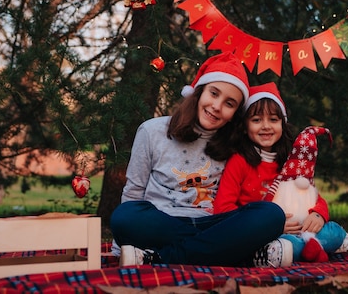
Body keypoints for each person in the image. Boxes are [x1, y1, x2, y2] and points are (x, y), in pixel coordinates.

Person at [110, 52, 292, 268]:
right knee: (124, 216)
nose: (216, 106)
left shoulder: (235, 145)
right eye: (213, 93)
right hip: (162, 223)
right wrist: (121, 240)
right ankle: (234, 254)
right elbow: (133, 193)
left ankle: (158, 258)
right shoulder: (152, 131)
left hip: (213, 225)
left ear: (235, 113)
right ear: (198, 92)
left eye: (229, 103)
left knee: (271, 215)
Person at [213, 82, 348, 262]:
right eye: (256, 120)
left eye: (273, 120)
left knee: (329, 230)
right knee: (286, 245)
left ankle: (329, 240)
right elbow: (223, 208)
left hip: (300, 229)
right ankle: (303, 249)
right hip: (262, 233)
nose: (266, 126)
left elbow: (312, 195)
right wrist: (267, 226)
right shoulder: (239, 161)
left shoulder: (291, 159)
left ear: (282, 124)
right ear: (245, 126)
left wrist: (318, 214)